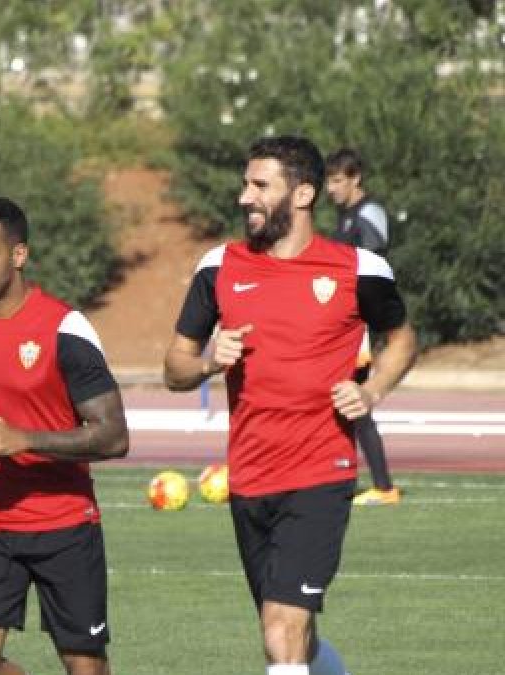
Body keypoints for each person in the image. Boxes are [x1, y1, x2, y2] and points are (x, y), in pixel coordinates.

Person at [163, 136, 417, 675]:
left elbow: (401, 339)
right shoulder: (218, 267)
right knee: (288, 636)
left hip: (320, 472)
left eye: (259, 186)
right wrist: (210, 361)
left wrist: (370, 392)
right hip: (250, 476)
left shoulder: (359, 268)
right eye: (245, 184)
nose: (244, 197)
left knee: (283, 629)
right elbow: (174, 367)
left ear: (302, 193)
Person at [0, 196, 131, 675]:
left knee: (85, 665)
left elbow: (114, 436)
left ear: (19, 255)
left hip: (64, 526)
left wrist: (26, 439)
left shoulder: (65, 328)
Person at [325, 147, 400, 505]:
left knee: (355, 401)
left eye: (338, 180)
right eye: (329, 180)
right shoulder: (344, 217)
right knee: (340, 402)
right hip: (341, 323)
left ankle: (384, 487)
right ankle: (342, 478)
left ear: (356, 179)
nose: (331, 188)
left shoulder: (368, 212)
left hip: (359, 326)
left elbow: (373, 260)